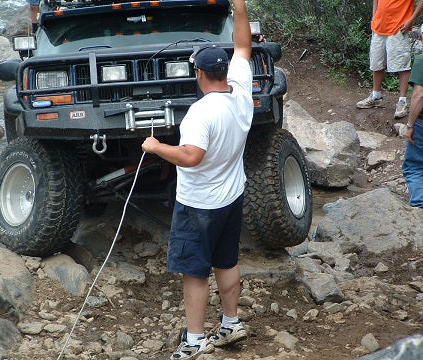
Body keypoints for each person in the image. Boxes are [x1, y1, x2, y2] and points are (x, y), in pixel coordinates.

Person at [141, 0, 253, 357]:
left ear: (200, 74)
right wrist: (240, 8)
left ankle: (194, 340)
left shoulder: (199, 113)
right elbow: (243, 46)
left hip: (199, 205)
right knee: (227, 261)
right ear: (222, 71)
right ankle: (231, 323)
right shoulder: (241, 91)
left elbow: (190, 157)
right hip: (231, 197)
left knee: (194, 273)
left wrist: (157, 147)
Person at [357, 0, 423, 119]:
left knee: (402, 65)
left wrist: (411, 20)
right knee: (376, 62)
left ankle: (402, 101)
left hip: (399, 27)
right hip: (379, 25)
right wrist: (374, 15)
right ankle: (376, 96)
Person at [402, 19, 423, 211]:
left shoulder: (422, 60)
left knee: (413, 166)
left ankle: (420, 210)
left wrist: (410, 125)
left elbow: (419, 95)